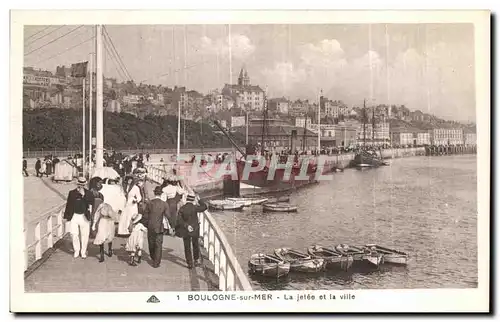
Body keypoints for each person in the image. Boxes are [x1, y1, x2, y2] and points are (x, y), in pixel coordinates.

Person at [63, 177, 95, 259]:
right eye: (80, 184)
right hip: (74, 215)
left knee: (85, 235)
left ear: (85, 184)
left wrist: (83, 195)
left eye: (83, 185)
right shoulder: (72, 193)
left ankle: (83, 251)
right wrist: (66, 216)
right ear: (77, 184)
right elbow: (68, 205)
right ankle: (76, 250)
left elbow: (91, 204)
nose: (81, 186)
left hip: (84, 216)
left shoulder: (89, 193)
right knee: (74, 234)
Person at [176, 193, 207, 269]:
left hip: (186, 230)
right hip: (195, 229)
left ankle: (190, 263)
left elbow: (179, 220)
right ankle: (196, 260)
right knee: (195, 244)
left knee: (187, 246)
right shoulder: (195, 207)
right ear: (193, 200)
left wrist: (187, 226)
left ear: (186, 200)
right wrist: (199, 200)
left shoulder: (182, 208)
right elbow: (205, 207)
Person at [142, 186, 170, 268]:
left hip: (150, 226)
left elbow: (145, 215)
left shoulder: (149, 203)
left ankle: (153, 257)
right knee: (158, 244)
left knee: (151, 243)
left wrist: (146, 224)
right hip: (159, 227)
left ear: (154, 193)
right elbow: (168, 216)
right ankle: (156, 262)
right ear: (161, 194)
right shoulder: (164, 204)